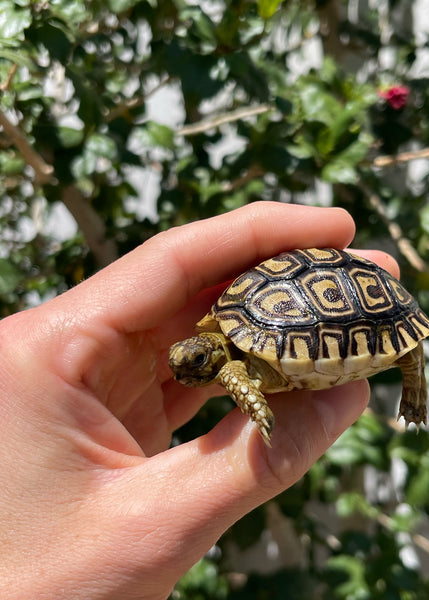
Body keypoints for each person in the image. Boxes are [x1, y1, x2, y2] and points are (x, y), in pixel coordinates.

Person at [0, 201, 400, 599]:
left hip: (336, 309)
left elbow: (234, 370)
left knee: (407, 352)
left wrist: (253, 400)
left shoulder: (231, 366)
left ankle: (414, 376)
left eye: (196, 361)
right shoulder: (229, 351)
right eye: (182, 363)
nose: (186, 371)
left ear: (214, 352)